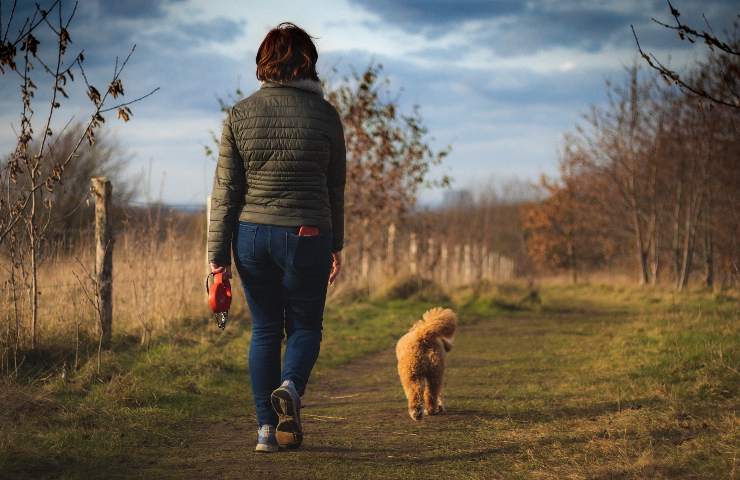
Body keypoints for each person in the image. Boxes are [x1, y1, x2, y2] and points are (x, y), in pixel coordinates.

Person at [206, 22, 345, 453]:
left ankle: (266, 430)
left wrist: (216, 256)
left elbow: (225, 190)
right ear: (308, 64)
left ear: (264, 63)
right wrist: (336, 243)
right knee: (305, 326)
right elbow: (334, 185)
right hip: (307, 234)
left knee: (265, 330)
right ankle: (290, 387)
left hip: (250, 237)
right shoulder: (325, 116)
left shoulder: (240, 114)